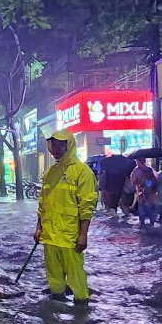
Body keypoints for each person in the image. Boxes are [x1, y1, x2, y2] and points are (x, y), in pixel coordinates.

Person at [34, 129, 98, 303]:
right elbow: (43, 203)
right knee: (53, 275)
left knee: (76, 275)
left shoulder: (82, 172)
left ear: (68, 145)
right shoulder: (50, 172)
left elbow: (87, 205)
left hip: (70, 235)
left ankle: (82, 306)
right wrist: (39, 227)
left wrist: (83, 234)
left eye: (60, 145)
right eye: (53, 144)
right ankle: (56, 303)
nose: (55, 149)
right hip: (50, 234)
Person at [98, 152, 135, 218]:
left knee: (112, 204)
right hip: (122, 187)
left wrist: (103, 188)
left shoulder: (108, 169)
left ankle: (115, 216)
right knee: (124, 204)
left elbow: (103, 182)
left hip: (111, 188)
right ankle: (127, 215)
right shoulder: (124, 167)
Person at [129, 157, 159, 228]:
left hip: (142, 194)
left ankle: (142, 224)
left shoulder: (136, 170)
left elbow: (133, 182)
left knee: (142, 209)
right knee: (151, 209)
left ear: (138, 161)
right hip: (152, 194)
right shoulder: (150, 169)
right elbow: (156, 180)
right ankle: (152, 223)